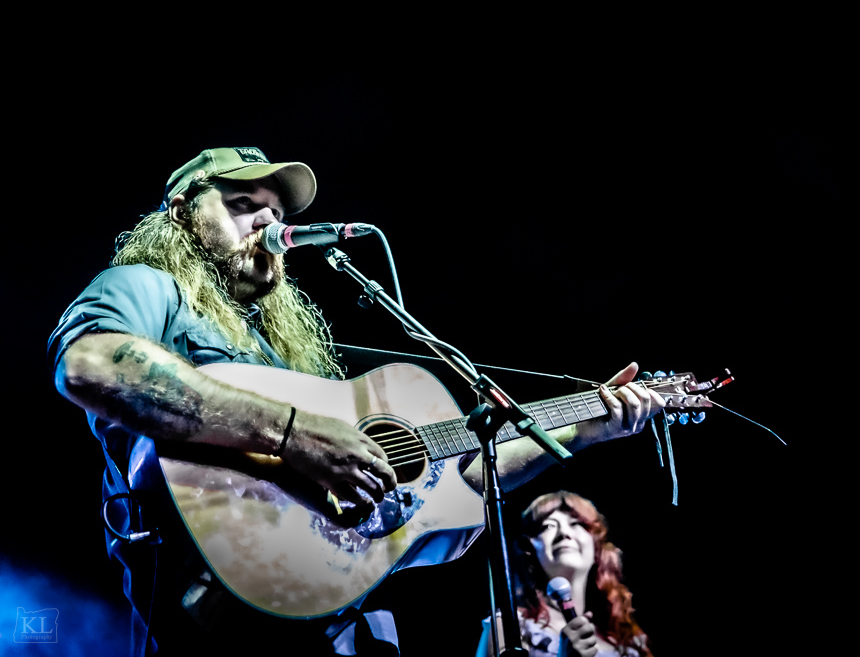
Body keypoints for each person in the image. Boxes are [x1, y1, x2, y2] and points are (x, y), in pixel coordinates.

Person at [48, 147, 666, 655]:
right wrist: (293, 433)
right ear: (182, 212)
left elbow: (457, 482)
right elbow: (92, 364)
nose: (266, 224)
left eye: (273, 214)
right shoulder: (149, 287)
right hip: (215, 606)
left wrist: (585, 427)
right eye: (242, 206)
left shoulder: (283, 355)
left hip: (344, 622)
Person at [476, 491, 652, 657]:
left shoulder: (627, 640)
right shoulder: (507, 630)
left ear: (597, 548)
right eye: (549, 526)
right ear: (530, 549)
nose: (564, 533)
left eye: (576, 524)